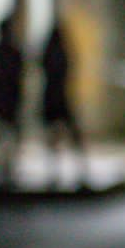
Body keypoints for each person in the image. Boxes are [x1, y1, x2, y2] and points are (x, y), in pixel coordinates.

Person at [40, 23, 87, 188]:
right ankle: (76, 172)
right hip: (58, 98)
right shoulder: (60, 54)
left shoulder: (50, 54)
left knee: (57, 137)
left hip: (53, 98)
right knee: (65, 137)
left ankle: (58, 173)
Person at [0, 15, 23, 187]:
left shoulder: (10, 52)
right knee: (4, 137)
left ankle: (7, 169)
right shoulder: (5, 52)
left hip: (7, 99)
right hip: (3, 100)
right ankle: (4, 169)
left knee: (8, 137)